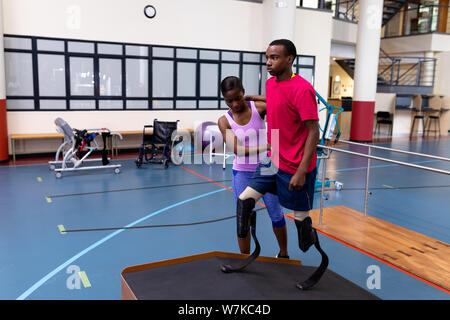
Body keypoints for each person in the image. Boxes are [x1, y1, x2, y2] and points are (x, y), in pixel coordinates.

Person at [239, 39, 320, 253]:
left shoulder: (303, 90)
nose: (268, 62)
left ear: (289, 59)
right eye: (267, 58)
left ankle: (308, 236)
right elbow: (277, 98)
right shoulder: (270, 84)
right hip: (272, 159)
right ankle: (246, 250)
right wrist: (252, 97)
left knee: (301, 226)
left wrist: (302, 171)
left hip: (297, 166)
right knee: (244, 201)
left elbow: (314, 131)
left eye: (274, 57)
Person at [217, 76, 289, 259]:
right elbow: (238, 150)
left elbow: (279, 100)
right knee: (243, 219)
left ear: (244, 93)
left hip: (267, 169)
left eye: (238, 98)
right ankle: (245, 259)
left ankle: (283, 253)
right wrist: (266, 147)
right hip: (242, 172)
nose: (234, 104)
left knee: (276, 214)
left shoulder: (258, 108)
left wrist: (253, 97)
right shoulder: (224, 121)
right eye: (229, 100)